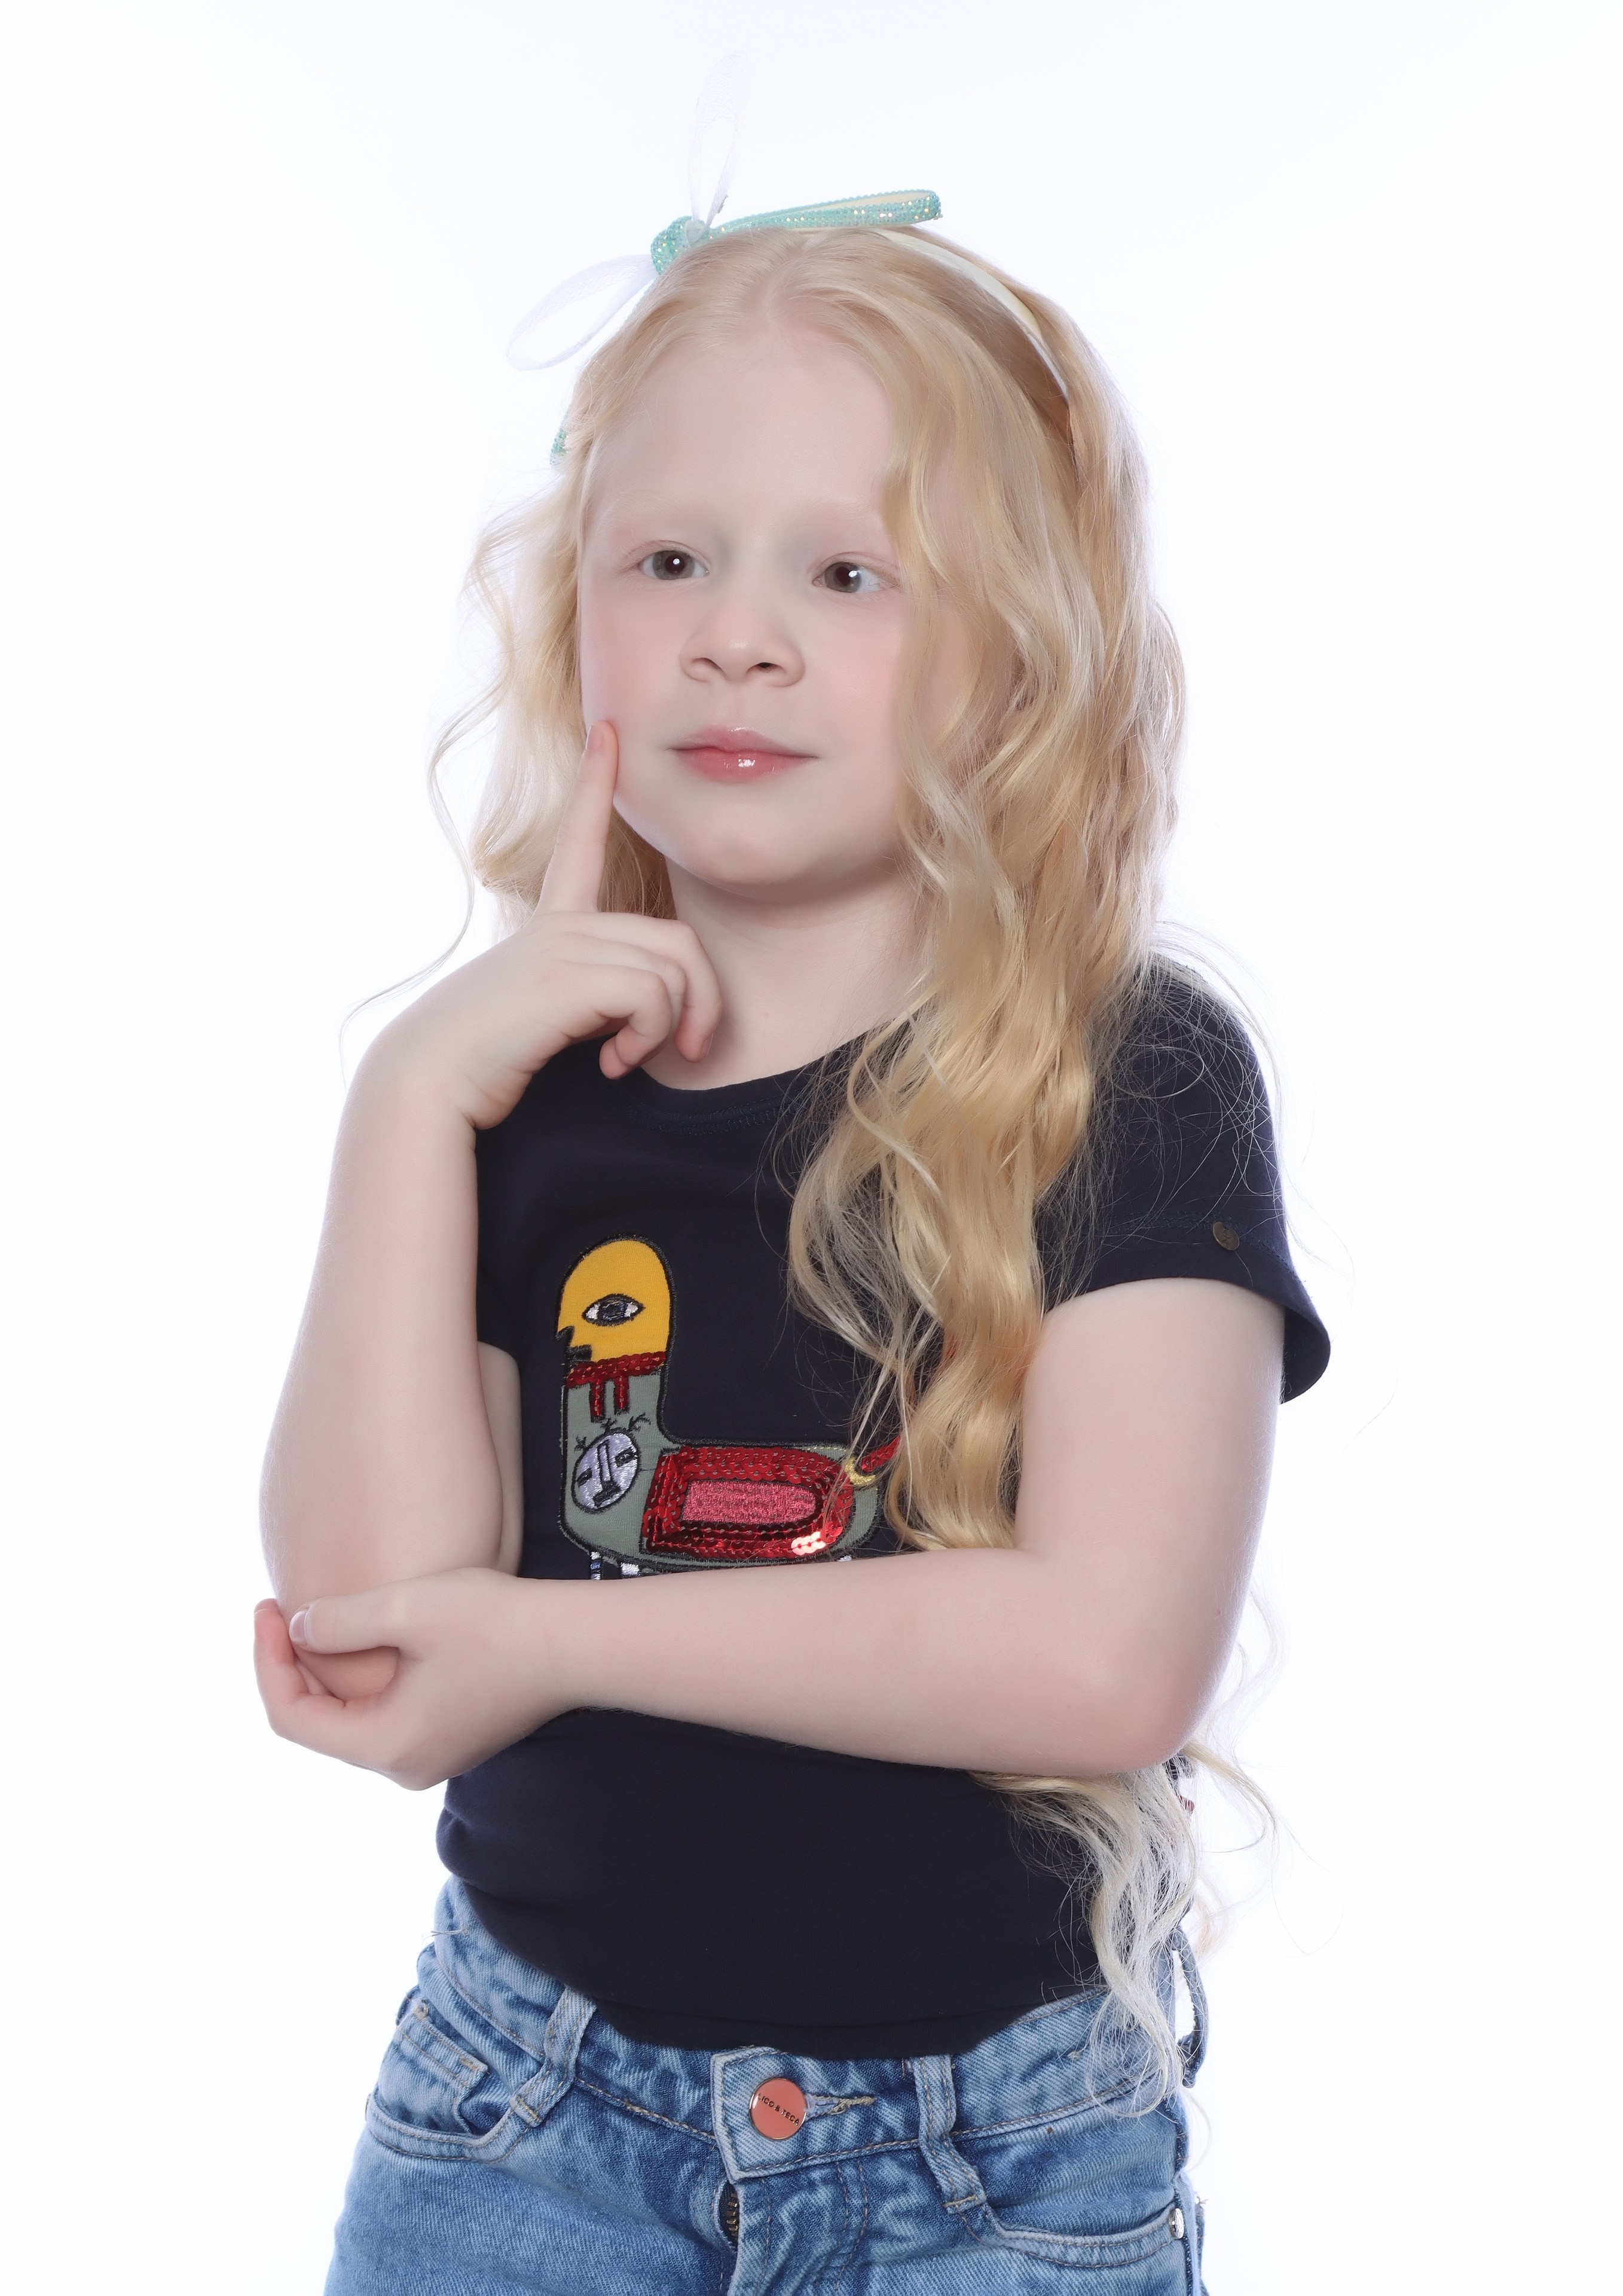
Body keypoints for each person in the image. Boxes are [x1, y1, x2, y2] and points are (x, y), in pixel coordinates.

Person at [254, 200, 1328, 2295]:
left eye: (847, 574)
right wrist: (406, 1104)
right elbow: (371, 1629)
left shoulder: (1128, 1072)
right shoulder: (520, 1098)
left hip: (988, 2170)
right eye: (668, 561)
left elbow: (1104, 1659)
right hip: (521, 2127)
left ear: (1019, 657)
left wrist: (558, 1639)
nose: (734, 638)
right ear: (574, 613)